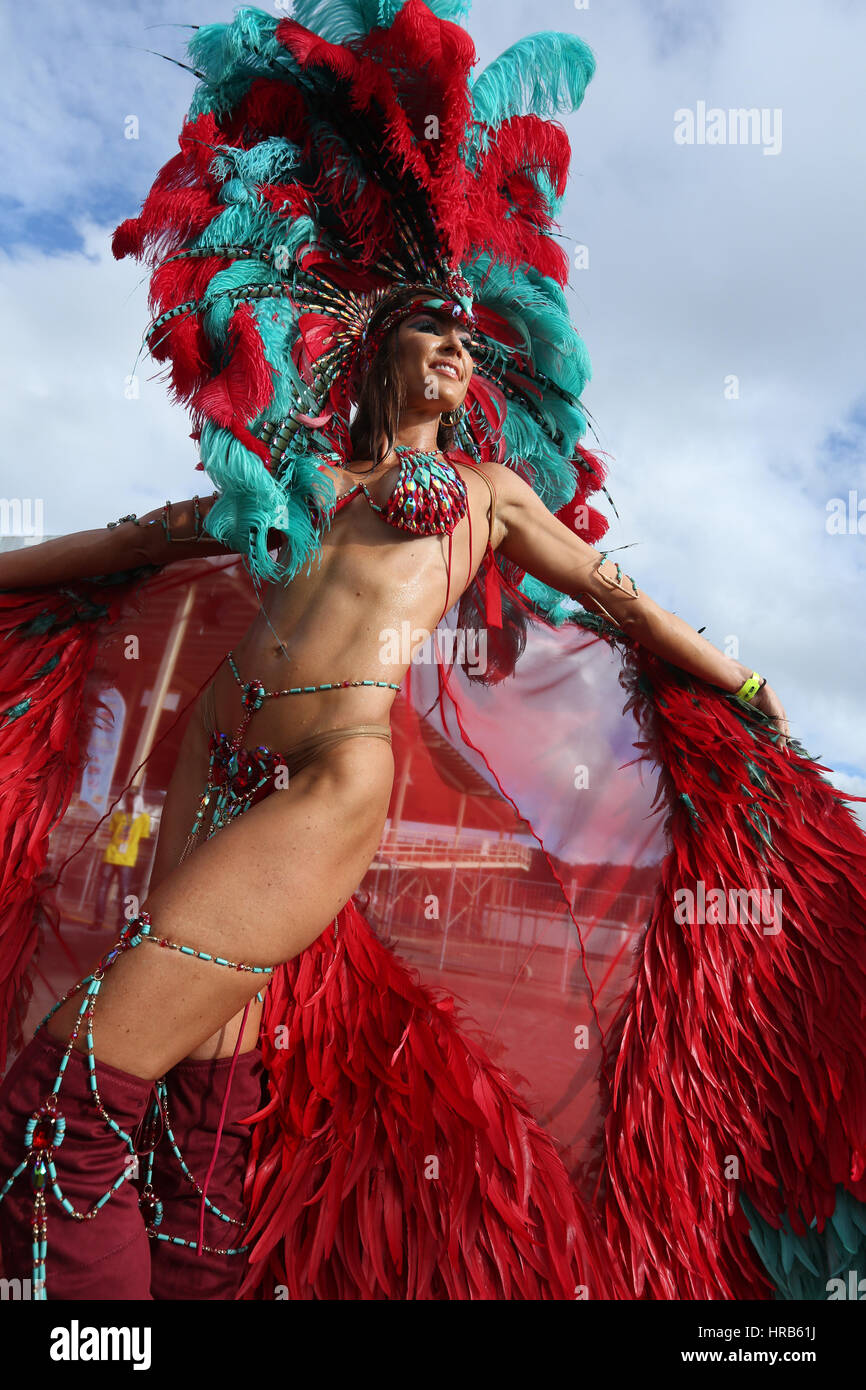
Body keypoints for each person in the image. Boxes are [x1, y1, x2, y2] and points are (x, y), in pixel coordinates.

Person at [0, 2, 863, 1304]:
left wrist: (734, 679)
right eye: (432, 331)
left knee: (63, 1102)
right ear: (378, 345)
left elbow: (615, 598)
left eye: (469, 341)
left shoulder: (490, 491)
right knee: (198, 1119)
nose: (458, 349)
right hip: (212, 764)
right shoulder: (294, 477)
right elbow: (120, 543)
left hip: (326, 780)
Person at [91, 790, 152, 931]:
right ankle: (98, 921)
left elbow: (143, 836)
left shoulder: (144, 818)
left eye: (133, 800)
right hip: (111, 856)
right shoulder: (118, 815)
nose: (130, 802)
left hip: (127, 859)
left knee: (124, 891)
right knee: (102, 889)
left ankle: (121, 924)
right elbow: (112, 832)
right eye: (129, 799)